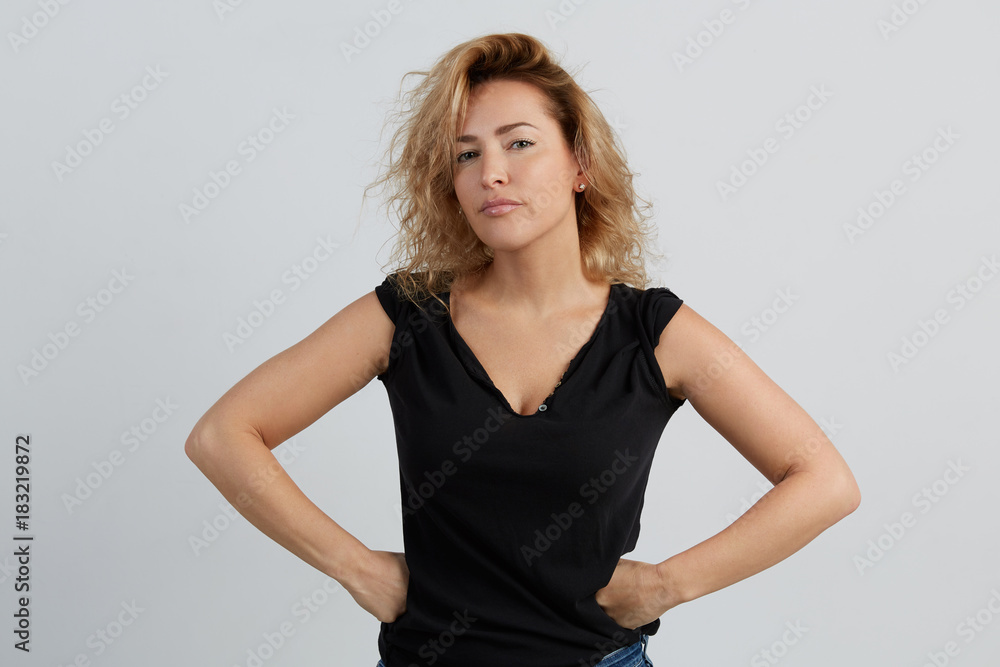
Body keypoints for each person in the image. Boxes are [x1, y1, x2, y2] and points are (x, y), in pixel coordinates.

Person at [184, 32, 861, 667]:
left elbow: (823, 481)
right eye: (467, 153)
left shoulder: (652, 331)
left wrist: (667, 583)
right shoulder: (406, 315)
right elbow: (223, 434)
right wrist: (354, 566)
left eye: (519, 144)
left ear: (579, 164)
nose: (491, 174)